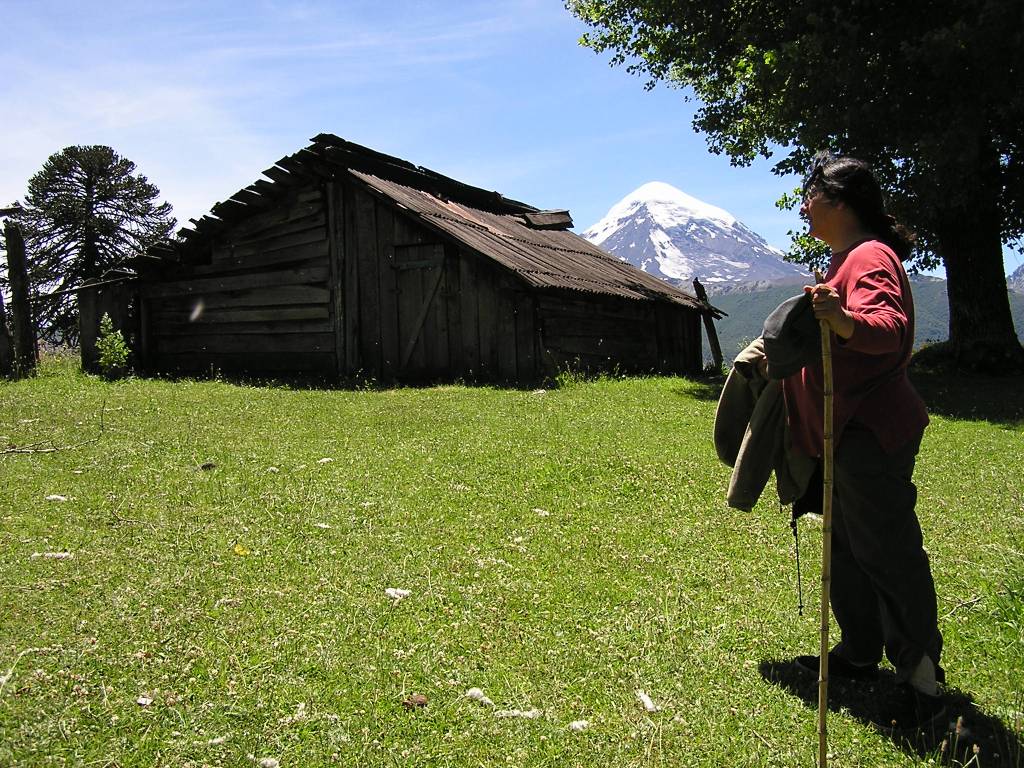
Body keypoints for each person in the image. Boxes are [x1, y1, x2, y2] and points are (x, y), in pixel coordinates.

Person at [784, 153, 944, 727]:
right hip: (845, 432)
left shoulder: (870, 256)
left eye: (811, 195)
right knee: (847, 545)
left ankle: (923, 680)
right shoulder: (844, 258)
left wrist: (845, 321)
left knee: (885, 548)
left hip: (870, 433)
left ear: (841, 201)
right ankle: (857, 654)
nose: (804, 206)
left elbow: (890, 327)